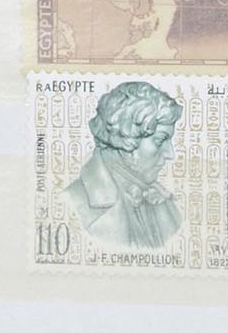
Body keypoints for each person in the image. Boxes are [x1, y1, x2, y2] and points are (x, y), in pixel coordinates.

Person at [65, 79, 183, 251]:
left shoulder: (165, 202)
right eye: (160, 140)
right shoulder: (71, 203)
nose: (170, 154)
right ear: (126, 137)